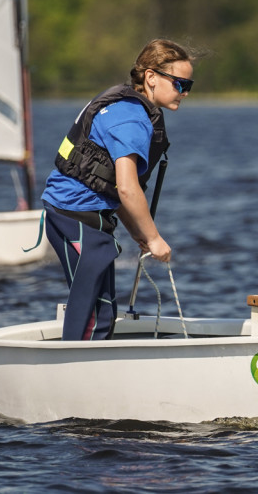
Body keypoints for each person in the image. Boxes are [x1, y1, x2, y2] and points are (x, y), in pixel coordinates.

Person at [43, 38, 196, 341]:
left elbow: (112, 186)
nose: (186, 92)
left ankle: (86, 370)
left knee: (102, 310)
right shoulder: (132, 118)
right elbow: (126, 188)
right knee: (94, 314)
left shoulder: (124, 106)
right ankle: (73, 374)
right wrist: (154, 239)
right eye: (180, 84)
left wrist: (136, 230)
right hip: (80, 219)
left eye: (190, 85)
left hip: (71, 215)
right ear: (152, 77)